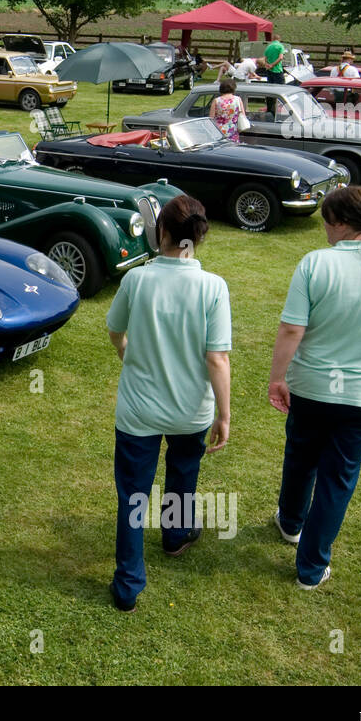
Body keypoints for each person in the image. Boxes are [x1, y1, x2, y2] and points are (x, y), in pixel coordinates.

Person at [268, 184, 361, 589]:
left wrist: (277, 377)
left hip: (312, 387)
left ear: (340, 224)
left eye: (326, 224)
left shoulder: (315, 265)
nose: (324, 232)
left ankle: (291, 523)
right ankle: (310, 566)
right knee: (338, 477)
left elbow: (292, 328)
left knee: (301, 456)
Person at [105, 195, 232, 613]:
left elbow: (115, 331)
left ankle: (128, 584)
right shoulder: (213, 287)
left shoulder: (137, 280)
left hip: (139, 410)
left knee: (132, 494)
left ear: (162, 232)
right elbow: (217, 357)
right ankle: (176, 536)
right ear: (197, 238)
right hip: (190, 410)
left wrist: (130, 355)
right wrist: (224, 414)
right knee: (182, 473)